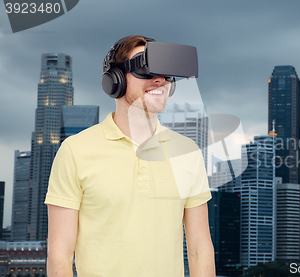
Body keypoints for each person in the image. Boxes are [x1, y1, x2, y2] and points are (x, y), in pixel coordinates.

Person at [45, 35, 215, 277]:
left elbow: (200, 248)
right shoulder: (75, 151)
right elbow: (60, 254)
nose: (159, 80)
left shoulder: (187, 152)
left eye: (165, 73)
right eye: (145, 69)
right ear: (115, 81)